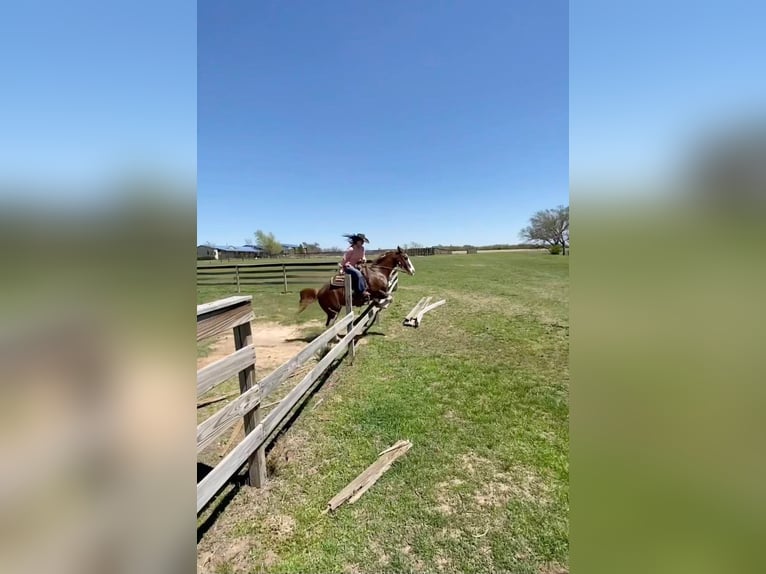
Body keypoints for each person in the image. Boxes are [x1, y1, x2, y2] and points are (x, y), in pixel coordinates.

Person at [341, 233, 370, 301]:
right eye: (361, 241)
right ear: (357, 241)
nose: (362, 243)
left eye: (363, 241)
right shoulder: (351, 249)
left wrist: (364, 259)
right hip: (348, 266)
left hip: (355, 266)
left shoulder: (362, 248)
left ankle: (363, 289)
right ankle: (361, 292)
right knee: (358, 274)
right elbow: (344, 259)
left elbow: (363, 256)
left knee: (365, 273)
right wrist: (341, 268)